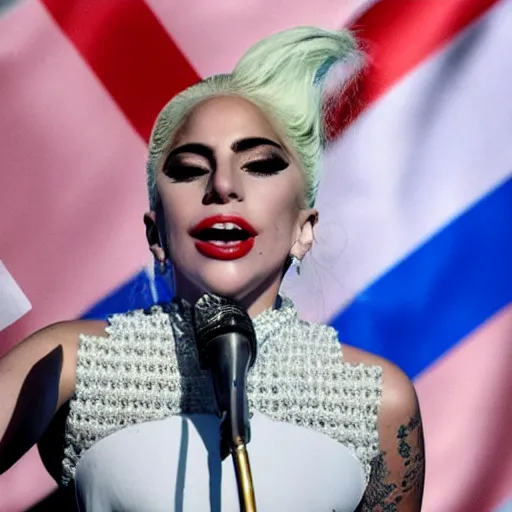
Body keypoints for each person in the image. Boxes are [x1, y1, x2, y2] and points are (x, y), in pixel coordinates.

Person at [0, 26, 425, 511]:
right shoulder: (71, 361)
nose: (222, 186)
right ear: (156, 233)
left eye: (260, 165)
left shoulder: (378, 401)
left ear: (304, 229)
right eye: (189, 168)